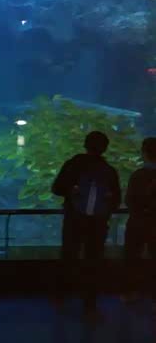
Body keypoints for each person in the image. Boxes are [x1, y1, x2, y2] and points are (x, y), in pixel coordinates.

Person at [51, 131, 121, 321]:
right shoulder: (109, 171)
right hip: (97, 224)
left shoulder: (73, 165)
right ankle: (90, 304)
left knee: (69, 256)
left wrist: (71, 191)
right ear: (105, 148)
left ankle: (60, 295)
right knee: (93, 262)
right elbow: (116, 200)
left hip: (74, 221)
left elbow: (56, 188)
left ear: (85, 144)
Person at [122, 137, 156, 306]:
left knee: (132, 258)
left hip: (138, 223)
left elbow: (129, 200)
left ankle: (130, 292)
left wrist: (140, 212)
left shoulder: (138, 175)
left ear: (144, 153)